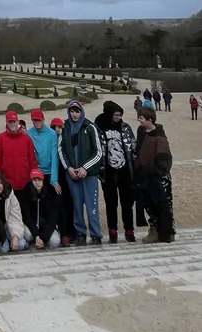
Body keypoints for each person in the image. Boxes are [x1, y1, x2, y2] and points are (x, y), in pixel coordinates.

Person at [58, 101, 103, 246]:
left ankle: (96, 234)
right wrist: (69, 168)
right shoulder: (65, 127)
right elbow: (61, 149)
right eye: (72, 111)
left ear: (81, 112)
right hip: (72, 175)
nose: (74, 114)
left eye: (77, 111)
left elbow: (98, 152)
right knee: (77, 206)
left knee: (92, 205)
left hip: (88, 175)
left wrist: (85, 168)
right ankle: (80, 234)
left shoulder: (90, 127)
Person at [94, 101, 136, 243]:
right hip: (108, 171)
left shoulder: (125, 127)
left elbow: (133, 146)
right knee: (111, 202)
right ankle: (113, 231)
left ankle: (129, 230)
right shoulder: (99, 127)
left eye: (120, 115)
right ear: (109, 114)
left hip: (125, 170)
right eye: (116, 115)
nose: (118, 117)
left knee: (127, 201)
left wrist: (134, 166)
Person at [135, 108, 175, 244]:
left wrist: (156, 172)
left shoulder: (160, 137)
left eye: (141, 118)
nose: (139, 120)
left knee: (165, 206)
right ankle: (154, 230)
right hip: (145, 175)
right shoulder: (141, 132)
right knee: (149, 205)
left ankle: (168, 232)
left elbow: (165, 159)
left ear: (149, 119)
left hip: (159, 177)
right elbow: (138, 151)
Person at [0, 111, 37, 191]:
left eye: (14, 121)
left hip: (25, 182)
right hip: (7, 183)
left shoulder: (27, 139)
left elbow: (32, 159)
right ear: (6, 123)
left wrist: (34, 176)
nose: (12, 124)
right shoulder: (0, 138)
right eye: (10, 122)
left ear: (18, 122)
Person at [19, 168, 60, 249]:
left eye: (39, 180)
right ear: (31, 181)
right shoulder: (26, 193)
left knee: (55, 242)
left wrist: (43, 238)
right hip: (32, 226)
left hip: (46, 225)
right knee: (28, 236)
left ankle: (42, 242)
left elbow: (52, 218)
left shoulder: (50, 192)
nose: (37, 183)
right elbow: (27, 217)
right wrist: (37, 235)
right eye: (34, 180)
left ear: (43, 180)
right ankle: (32, 242)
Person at [50, 117, 75, 247]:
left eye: (60, 127)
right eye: (57, 127)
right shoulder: (51, 139)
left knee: (69, 204)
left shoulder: (65, 138)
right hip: (56, 177)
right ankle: (61, 232)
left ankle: (70, 231)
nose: (59, 130)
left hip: (66, 177)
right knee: (58, 206)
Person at [0, 171, 27, 253]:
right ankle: (1, 245)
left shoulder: (11, 197)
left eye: (1, 183)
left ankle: (12, 242)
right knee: (4, 249)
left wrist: (15, 236)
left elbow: (16, 218)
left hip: (9, 226)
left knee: (21, 244)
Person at [27, 110, 60, 193]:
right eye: (35, 120)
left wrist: (54, 180)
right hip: (35, 172)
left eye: (39, 120)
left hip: (49, 171)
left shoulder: (52, 134)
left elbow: (54, 156)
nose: (37, 122)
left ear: (43, 120)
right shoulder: (28, 134)